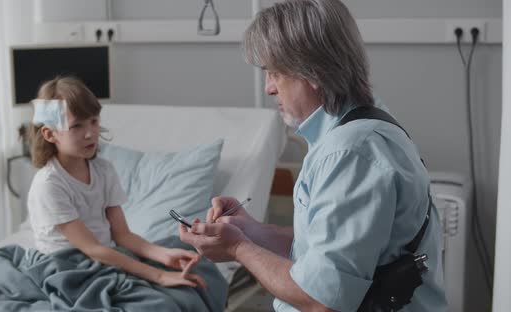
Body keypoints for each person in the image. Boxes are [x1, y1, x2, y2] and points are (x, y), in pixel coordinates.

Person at [179, 0, 447, 311]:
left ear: (313, 72)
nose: (268, 88)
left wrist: (237, 247)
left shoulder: (351, 154)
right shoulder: (359, 127)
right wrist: (251, 231)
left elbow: (321, 300)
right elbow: (330, 248)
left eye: (274, 73)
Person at [27, 76, 206, 289]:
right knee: (151, 298)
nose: (90, 133)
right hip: (69, 266)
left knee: (192, 266)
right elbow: (92, 248)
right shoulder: (49, 185)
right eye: (76, 126)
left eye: (94, 121)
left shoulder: (103, 170)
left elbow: (123, 235)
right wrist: (158, 276)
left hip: (105, 255)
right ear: (50, 134)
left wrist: (163, 256)